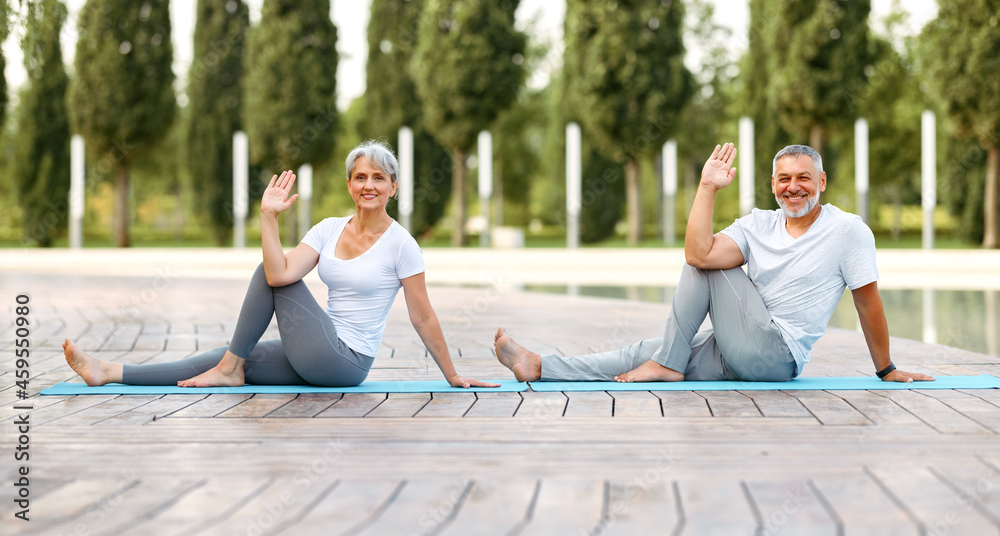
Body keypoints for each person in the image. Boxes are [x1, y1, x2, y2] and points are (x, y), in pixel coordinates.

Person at [64, 140, 498, 389]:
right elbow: (279, 272)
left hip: (346, 362)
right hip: (318, 347)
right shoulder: (329, 228)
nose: (369, 185)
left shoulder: (402, 245)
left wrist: (453, 375)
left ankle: (229, 370)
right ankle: (109, 372)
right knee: (228, 354)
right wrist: (267, 218)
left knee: (268, 282)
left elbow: (422, 315)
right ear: (349, 184)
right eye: (361, 177)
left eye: (379, 178)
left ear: (393, 187)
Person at [495, 143, 934, 385]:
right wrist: (707, 187)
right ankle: (540, 366)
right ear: (773, 184)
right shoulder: (757, 224)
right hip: (735, 348)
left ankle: (668, 364)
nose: (793, 187)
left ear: (821, 182)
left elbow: (867, 303)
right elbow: (696, 250)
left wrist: (886, 368)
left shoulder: (848, 231)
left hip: (776, 357)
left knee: (705, 266)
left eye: (804, 178)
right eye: (784, 179)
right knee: (640, 352)